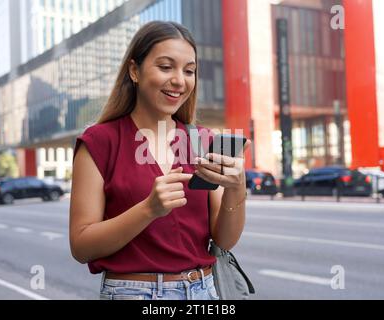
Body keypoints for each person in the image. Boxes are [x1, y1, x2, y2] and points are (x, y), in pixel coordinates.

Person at [69, 21, 250, 300]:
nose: (180, 80)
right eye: (166, 67)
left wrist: (237, 189)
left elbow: (224, 240)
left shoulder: (199, 140)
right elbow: (81, 247)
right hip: (132, 293)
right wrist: (149, 209)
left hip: (203, 289)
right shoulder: (100, 141)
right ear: (134, 71)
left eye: (189, 71)